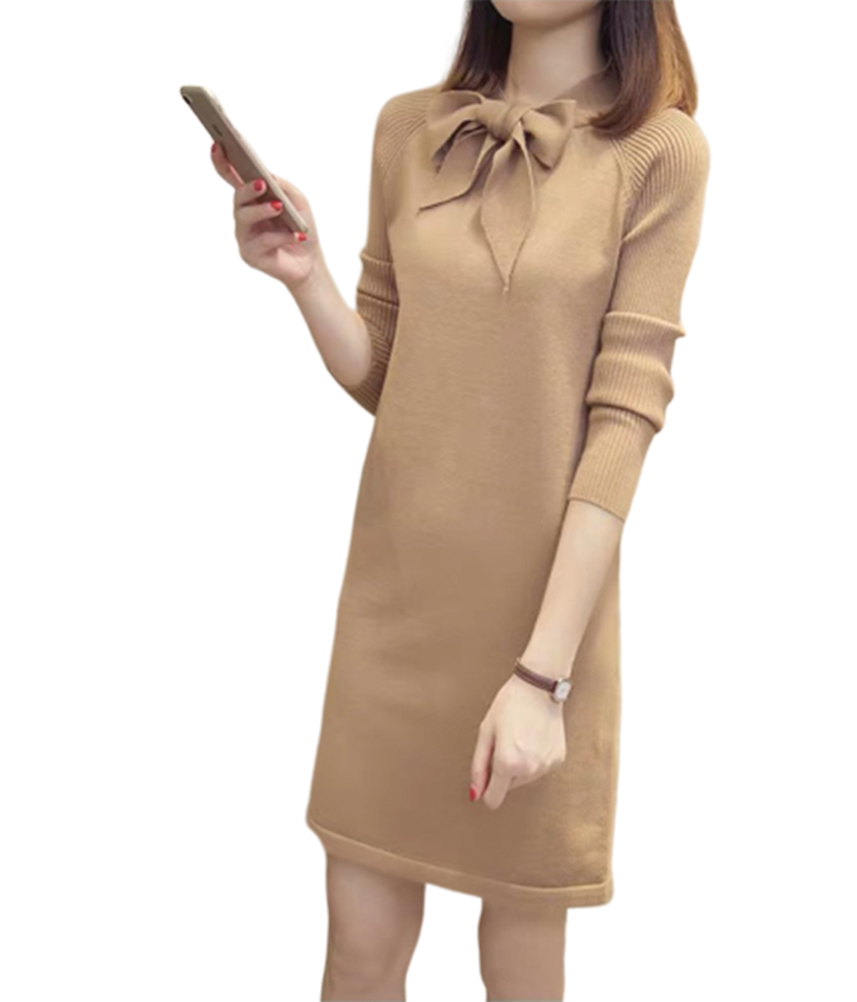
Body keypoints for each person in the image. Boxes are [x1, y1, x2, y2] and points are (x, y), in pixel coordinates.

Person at [210, 1, 709, 998]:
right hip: (394, 610)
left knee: (519, 963)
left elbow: (624, 420)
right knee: (358, 953)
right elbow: (389, 371)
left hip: (540, 627)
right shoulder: (409, 128)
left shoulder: (660, 151)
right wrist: (305, 279)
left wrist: (541, 680)